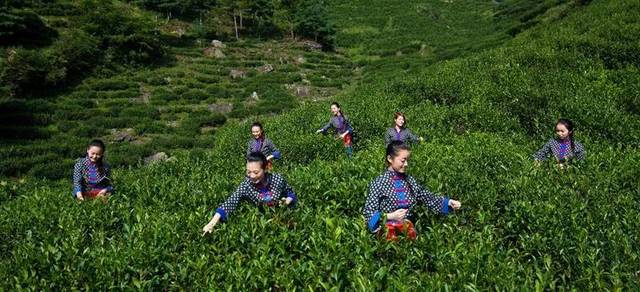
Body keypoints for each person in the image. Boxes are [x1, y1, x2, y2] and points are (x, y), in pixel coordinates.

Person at [363, 141, 461, 241]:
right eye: (403, 160)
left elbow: (426, 196)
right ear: (390, 159)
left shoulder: (410, 180)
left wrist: (448, 202)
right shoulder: (379, 182)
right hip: (387, 234)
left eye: (407, 160)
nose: (406, 164)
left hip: (409, 232)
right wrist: (390, 216)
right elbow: (368, 212)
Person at [202, 152, 298, 235]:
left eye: (256, 172)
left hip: (283, 215)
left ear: (265, 169)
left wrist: (287, 202)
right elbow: (230, 202)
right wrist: (212, 224)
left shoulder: (277, 179)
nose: (251, 176)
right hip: (263, 222)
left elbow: (290, 192)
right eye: (248, 172)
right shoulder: (246, 185)